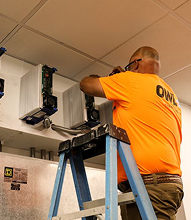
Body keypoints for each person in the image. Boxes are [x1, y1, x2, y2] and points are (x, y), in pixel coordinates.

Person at [79, 46, 184, 219]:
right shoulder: (170, 95)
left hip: (148, 187)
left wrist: (116, 77)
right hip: (170, 186)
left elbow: (86, 85)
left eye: (129, 67)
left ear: (135, 64)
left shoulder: (129, 80)